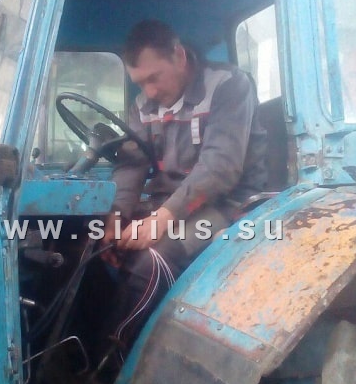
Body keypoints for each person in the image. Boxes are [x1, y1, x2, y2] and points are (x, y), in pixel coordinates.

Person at [97, 19, 267, 366]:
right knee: (91, 247)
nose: (149, 92)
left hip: (229, 203)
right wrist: (115, 217)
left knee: (154, 260)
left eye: (154, 78)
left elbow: (220, 168)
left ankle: (116, 368)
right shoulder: (144, 106)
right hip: (170, 205)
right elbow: (131, 165)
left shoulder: (228, 86)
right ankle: (79, 353)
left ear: (179, 56)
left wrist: (162, 219)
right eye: (140, 83)